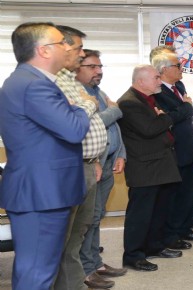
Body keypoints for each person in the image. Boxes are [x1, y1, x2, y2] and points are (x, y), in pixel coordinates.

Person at [0, 22, 90, 290]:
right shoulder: (33, 85)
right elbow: (74, 130)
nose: (69, 47)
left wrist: (71, 109)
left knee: (35, 269)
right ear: (44, 50)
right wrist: (82, 108)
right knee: (37, 272)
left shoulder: (28, 81)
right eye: (62, 42)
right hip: (41, 192)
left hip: (42, 190)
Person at [53, 25, 109, 290]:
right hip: (70, 167)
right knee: (63, 238)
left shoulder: (70, 80)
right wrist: (90, 103)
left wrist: (95, 159)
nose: (81, 53)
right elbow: (68, 124)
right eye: (78, 48)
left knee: (78, 232)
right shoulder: (52, 81)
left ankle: (74, 283)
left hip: (87, 164)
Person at [118, 65, 183, 272]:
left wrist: (160, 117)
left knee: (158, 210)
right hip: (144, 166)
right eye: (156, 77)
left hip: (159, 162)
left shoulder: (147, 98)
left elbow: (154, 127)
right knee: (141, 214)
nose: (159, 80)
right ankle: (133, 256)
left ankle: (154, 246)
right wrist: (164, 117)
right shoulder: (129, 102)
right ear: (141, 81)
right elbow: (149, 129)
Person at [77, 50, 128, 286]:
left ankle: (95, 262)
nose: (99, 71)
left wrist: (121, 154)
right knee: (86, 219)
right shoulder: (77, 94)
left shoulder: (98, 91)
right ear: (76, 67)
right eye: (92, 66)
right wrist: (115, 110)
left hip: (107, 162)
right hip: (90, 164)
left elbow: (114, 127)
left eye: (100, 66)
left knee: (97, 217)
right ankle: (84, 269)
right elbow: (92, 124)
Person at [150, 45, 193, 230]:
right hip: (173, 148)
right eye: (178, 65)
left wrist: (185, 110)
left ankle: (188, 223)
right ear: (164, 69)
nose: (182, 67)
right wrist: (187, 107)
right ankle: (178, 230)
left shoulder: (179, 85)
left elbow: (185, 115)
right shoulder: (157, 91)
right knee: (176, 193)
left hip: (187, 144)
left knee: (189, 189)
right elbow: (168, 118)